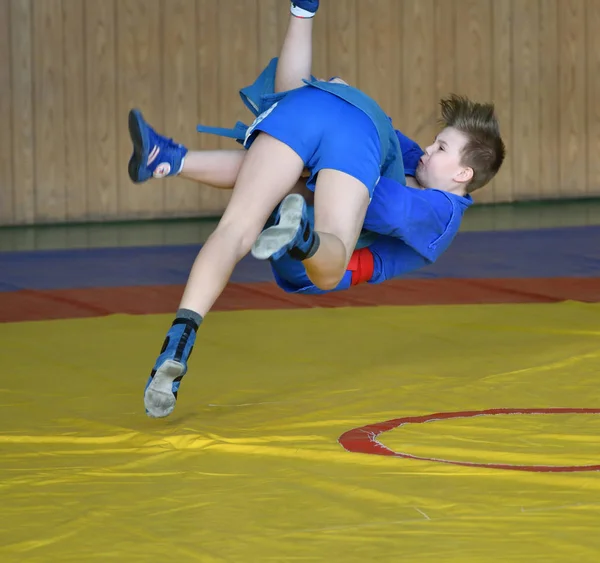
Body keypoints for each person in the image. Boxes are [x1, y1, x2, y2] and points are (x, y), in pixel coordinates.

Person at [128, 0, 505, 418]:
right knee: (329, 256)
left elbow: (389, 208)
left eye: (442, 149)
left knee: (236, 226)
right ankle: (303, 236)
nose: (428, 150)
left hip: (323, 113)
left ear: (464, 175)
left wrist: (333, 115)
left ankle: (172, 165)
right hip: (348, 137)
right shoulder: (419, 174)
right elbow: (372, 175)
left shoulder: (440, 215)